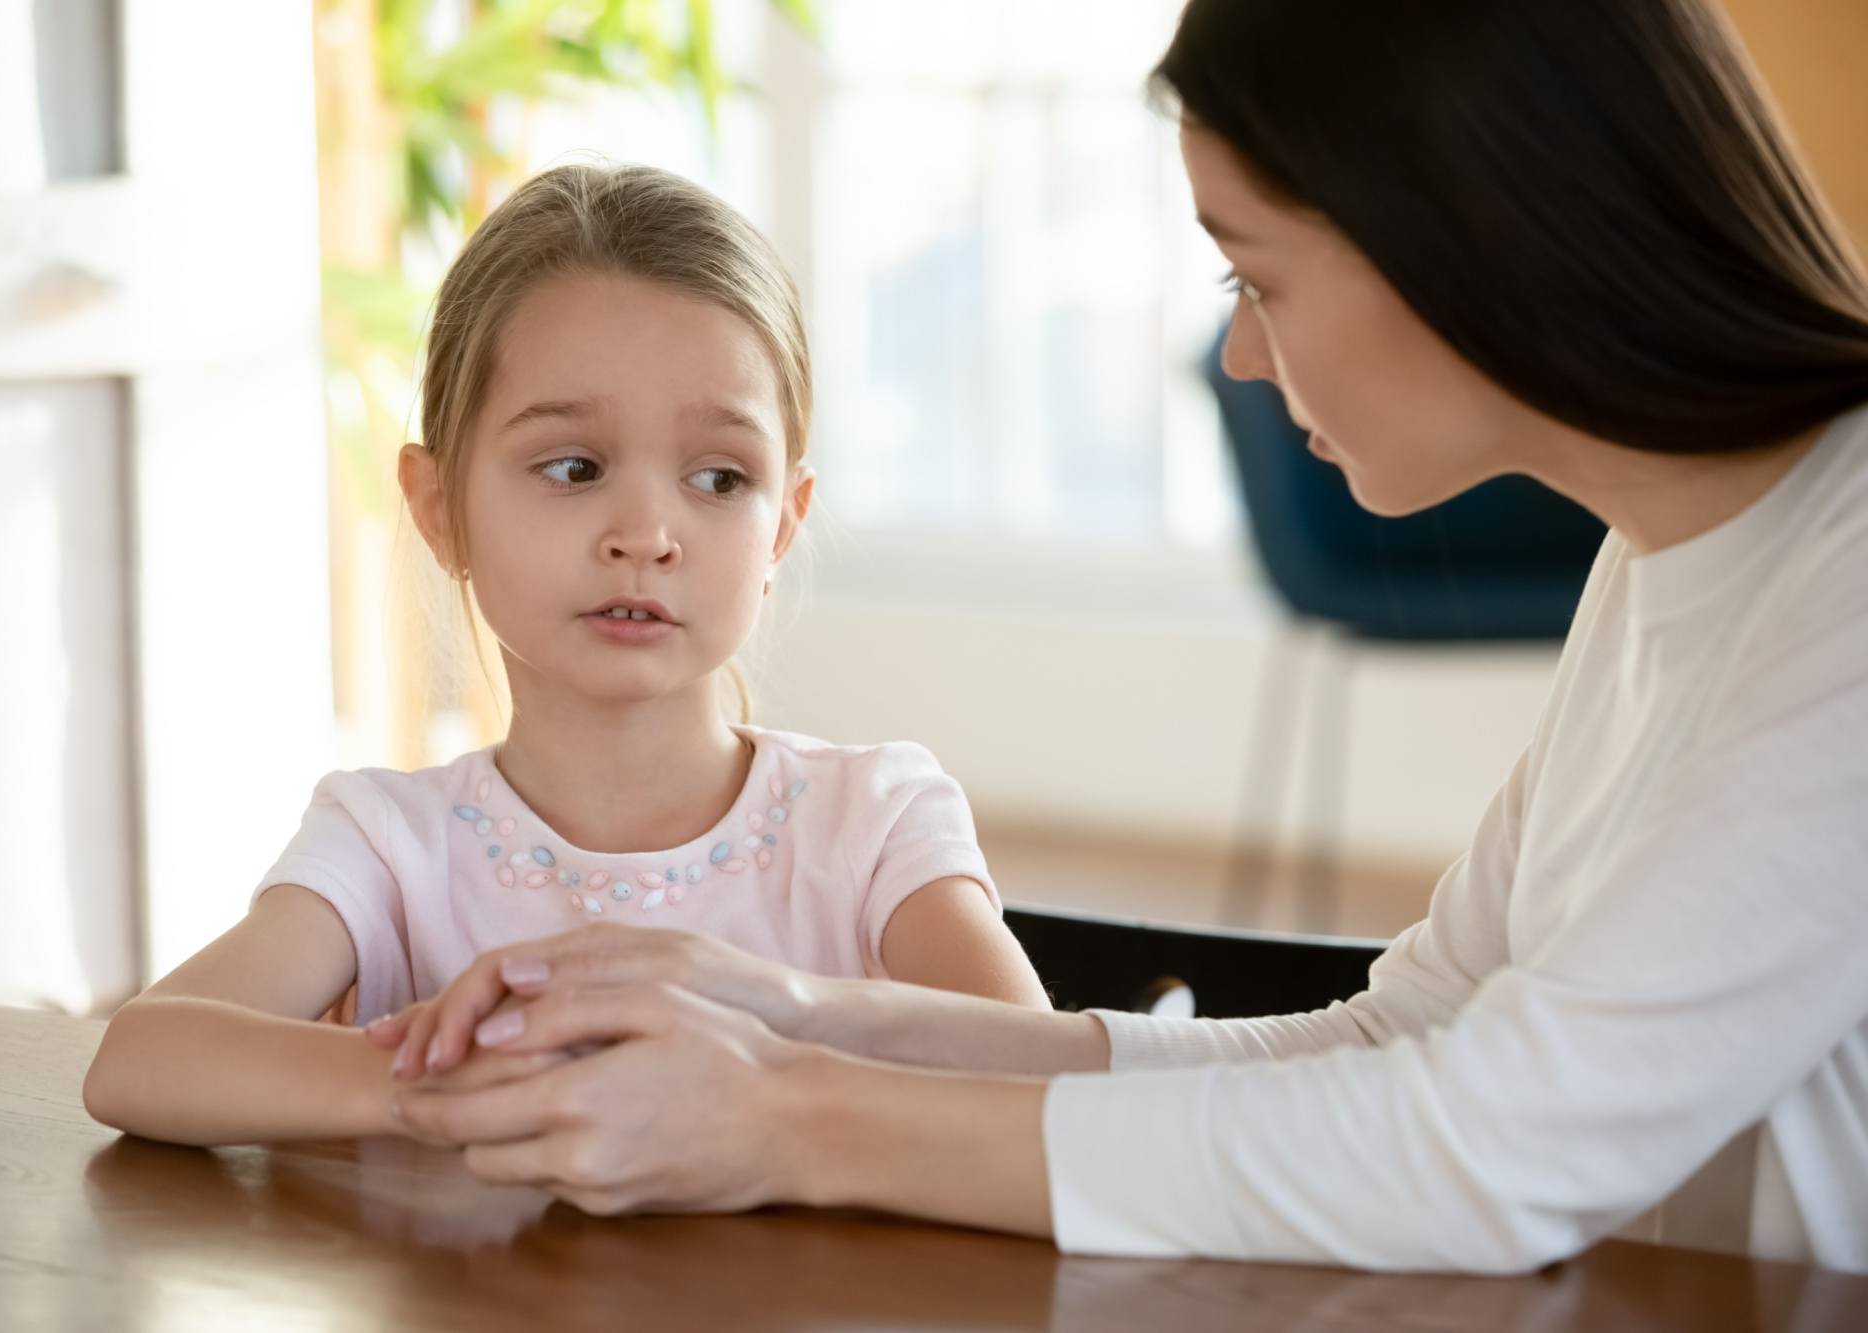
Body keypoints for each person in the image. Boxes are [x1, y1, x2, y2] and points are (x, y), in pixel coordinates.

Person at [375, 0, 1868, 1275]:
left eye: (1255, 273)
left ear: (1464, 234)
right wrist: (808, 1018)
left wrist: (783, 1115)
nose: (1241, 349)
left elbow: (1485, 1144)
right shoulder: (1670, 554)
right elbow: (1403, 1032)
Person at [80, 163, 1050, 1148]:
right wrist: (448, 1088)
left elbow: (1044, 1080)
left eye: (719, 477)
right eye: (574, 467)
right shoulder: (388, 846)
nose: (646, 533)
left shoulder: (874, 824)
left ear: (782, 529)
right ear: (437, 508)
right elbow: (140, 1060)